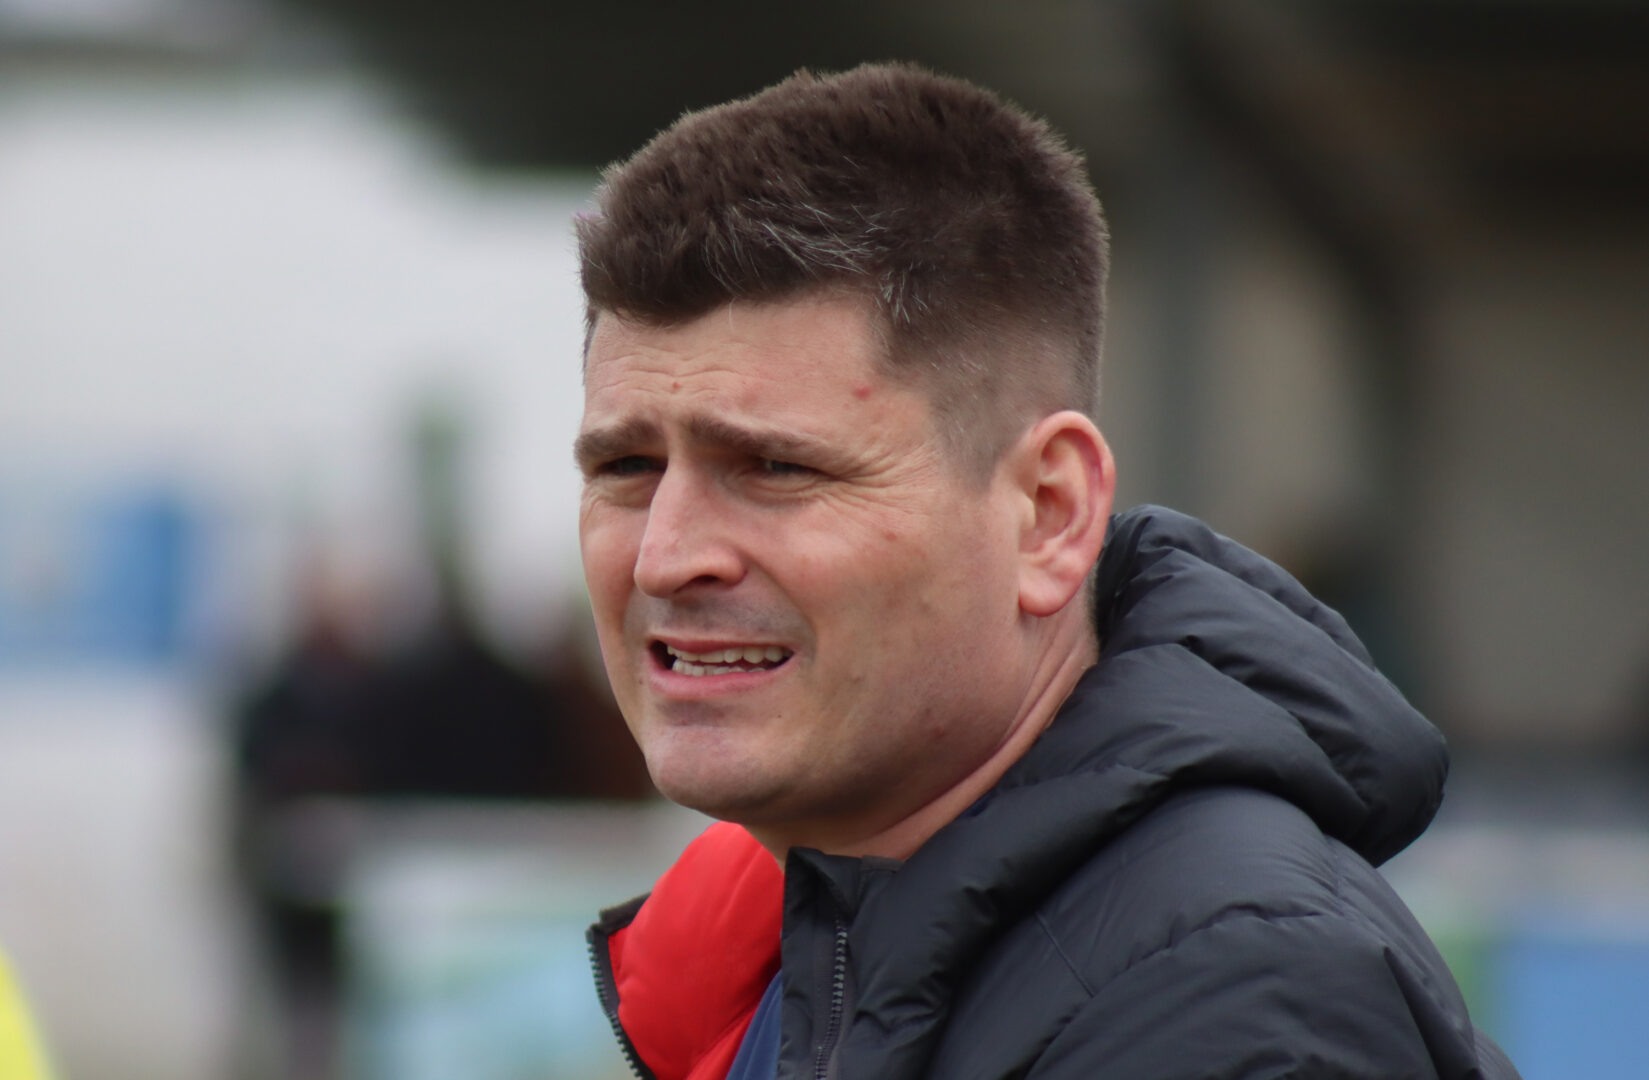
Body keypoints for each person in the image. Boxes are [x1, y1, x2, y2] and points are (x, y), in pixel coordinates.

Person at [576, 62, 1519, 1080]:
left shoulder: (1236, 1006)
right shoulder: (794, 939)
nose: (667, 555)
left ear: (1048, 513)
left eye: (775, 468)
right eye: (626, 467)